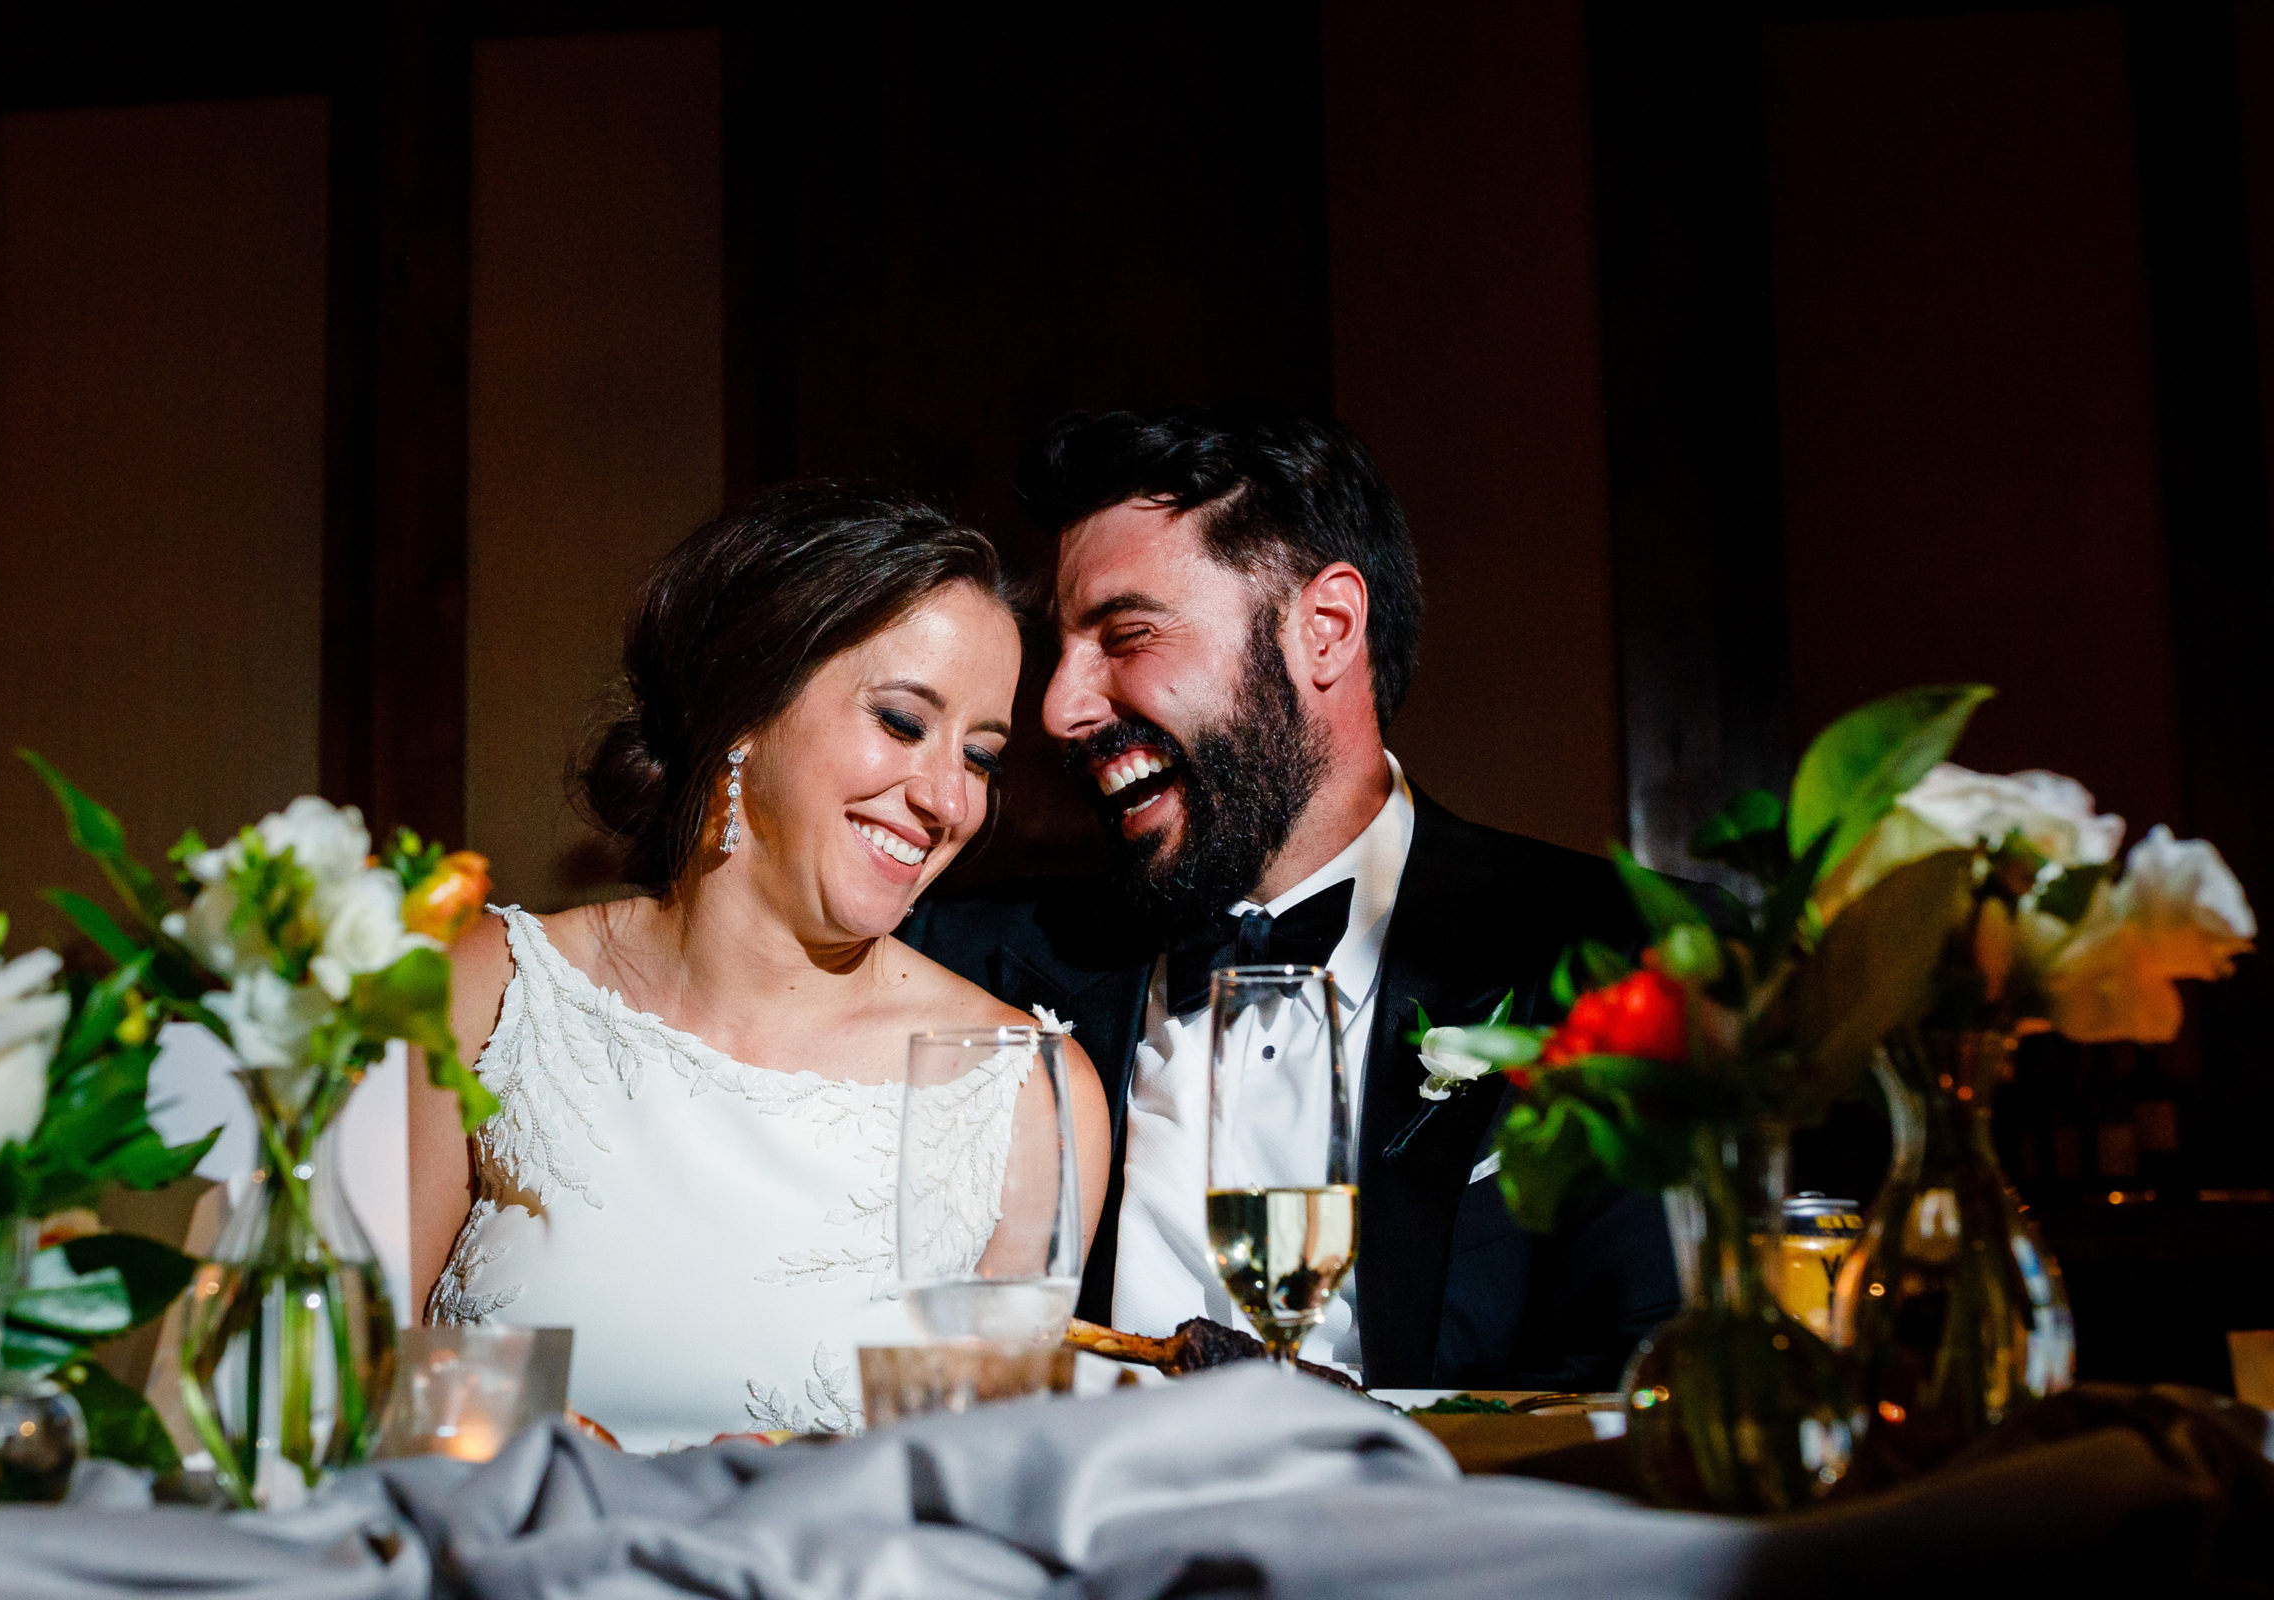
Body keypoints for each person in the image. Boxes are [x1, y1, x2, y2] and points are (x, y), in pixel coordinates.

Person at [902, 404, 1678, 1391]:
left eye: (1126, 634)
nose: (1058, 708)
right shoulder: (966, 967)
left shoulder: (1622, 960)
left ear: (1326, 630)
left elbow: (1654, 1385)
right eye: (1061, 650)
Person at [408, 482, 1111, 1451]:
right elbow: (336, 1406)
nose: (951, 800)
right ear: (743, 706)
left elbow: (984, 1486)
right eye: (903, 722)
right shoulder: (487, 993)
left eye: (981, 757)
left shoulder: (1023, 1096)